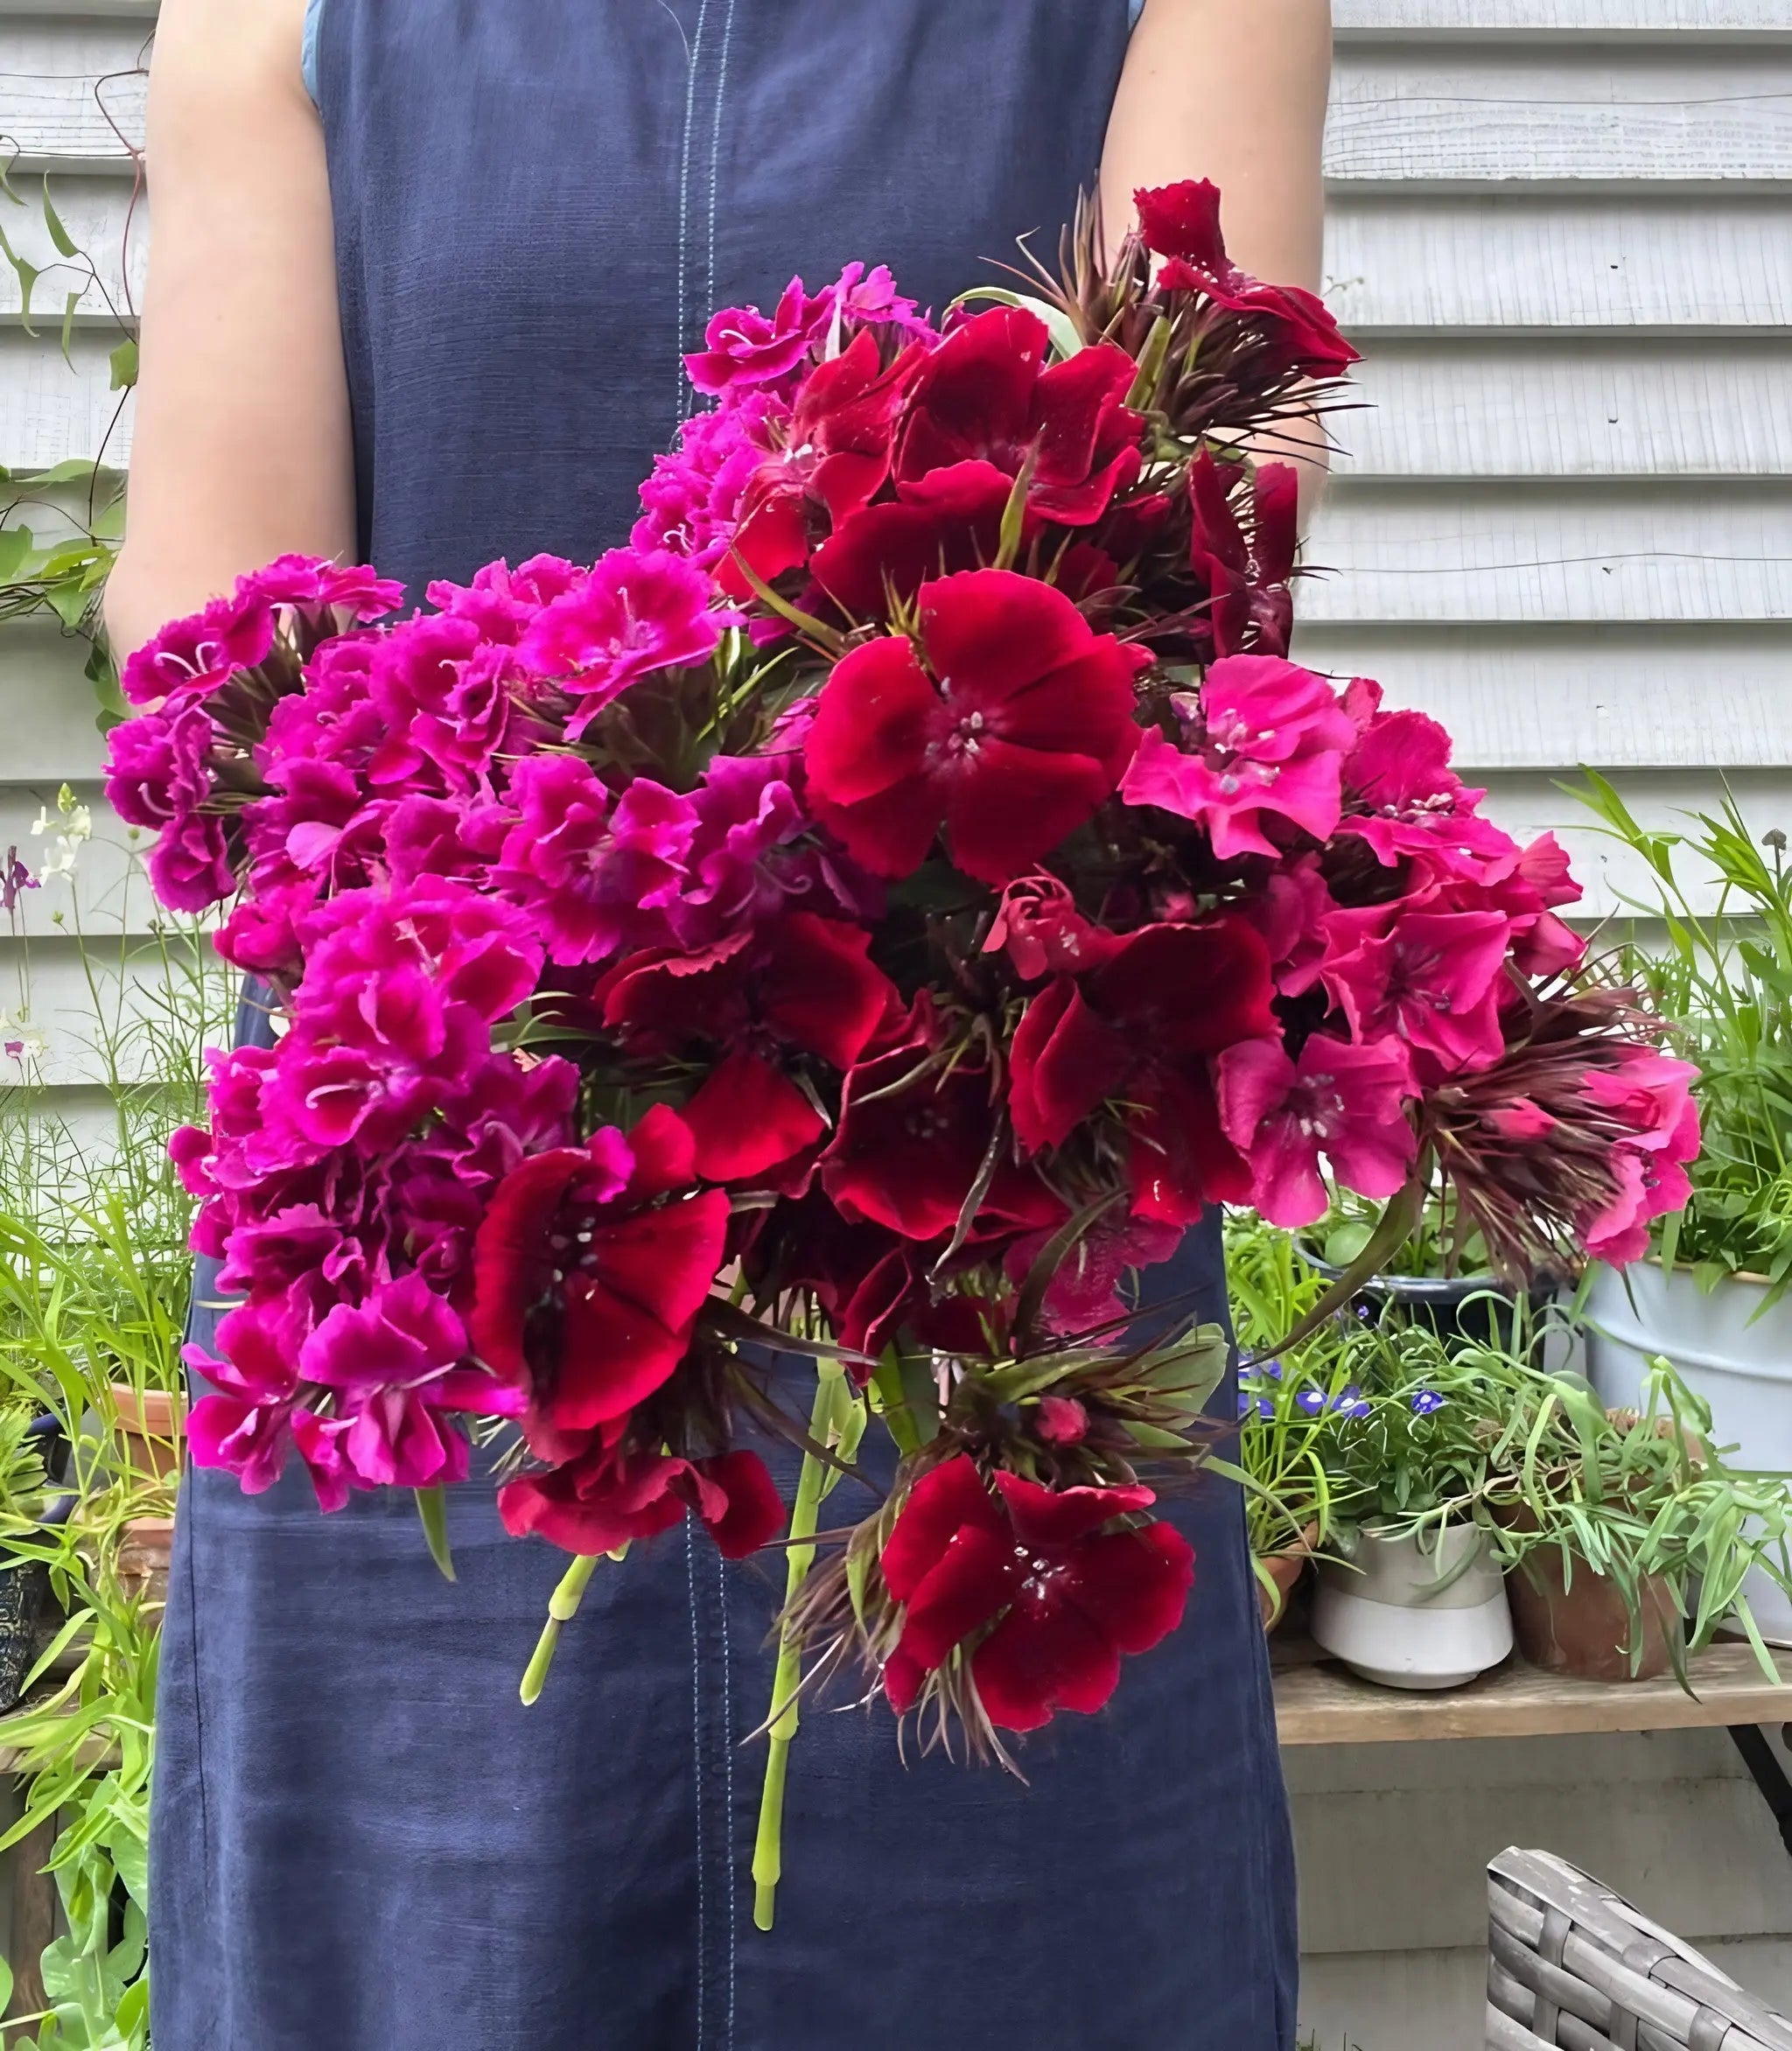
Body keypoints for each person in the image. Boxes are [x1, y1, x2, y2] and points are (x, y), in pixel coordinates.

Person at [108, 2, 1333, 2044]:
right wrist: (587, 927)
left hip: (973, 1228)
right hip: (451, 1252)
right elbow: (220, 640)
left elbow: (1191, 574)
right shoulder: (275, 14)